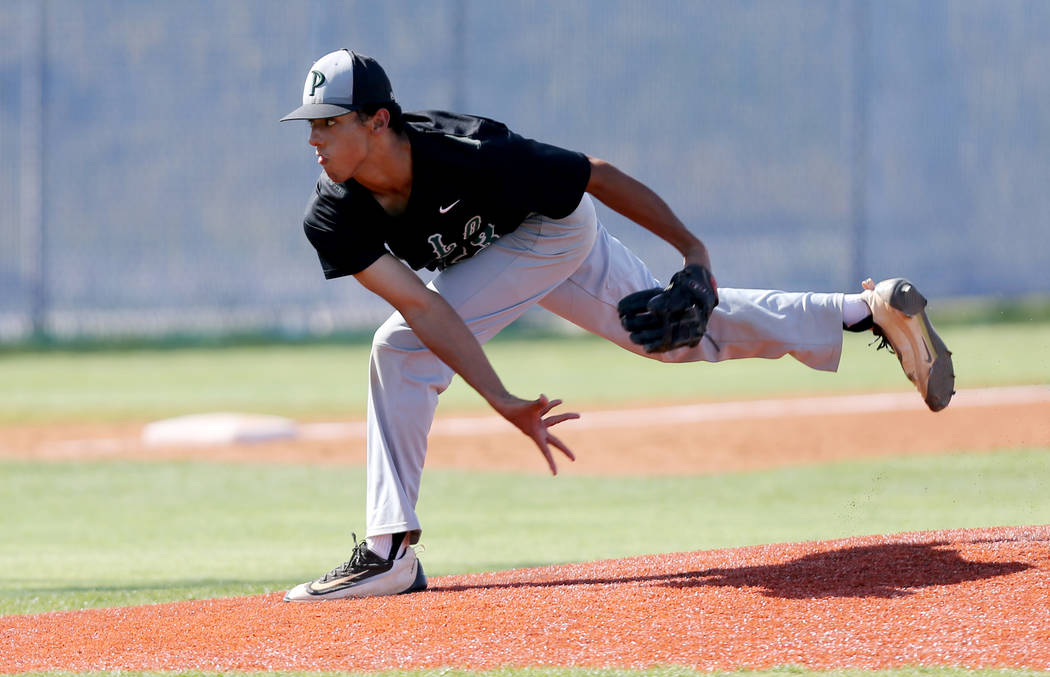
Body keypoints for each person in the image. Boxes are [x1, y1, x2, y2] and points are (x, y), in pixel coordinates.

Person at [278, 49, 955, 602]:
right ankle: (865, 312)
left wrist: (695, 253)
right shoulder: (333, 213)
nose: (312, 138)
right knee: (673, 338)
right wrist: (502, 398)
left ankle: (387, 550)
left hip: (553, 229)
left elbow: (595, 174)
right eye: (309, 124)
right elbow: (427, 305)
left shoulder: (474, 154)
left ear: (377, 120)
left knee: (396, 353)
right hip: (503, 252)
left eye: (327, 122)